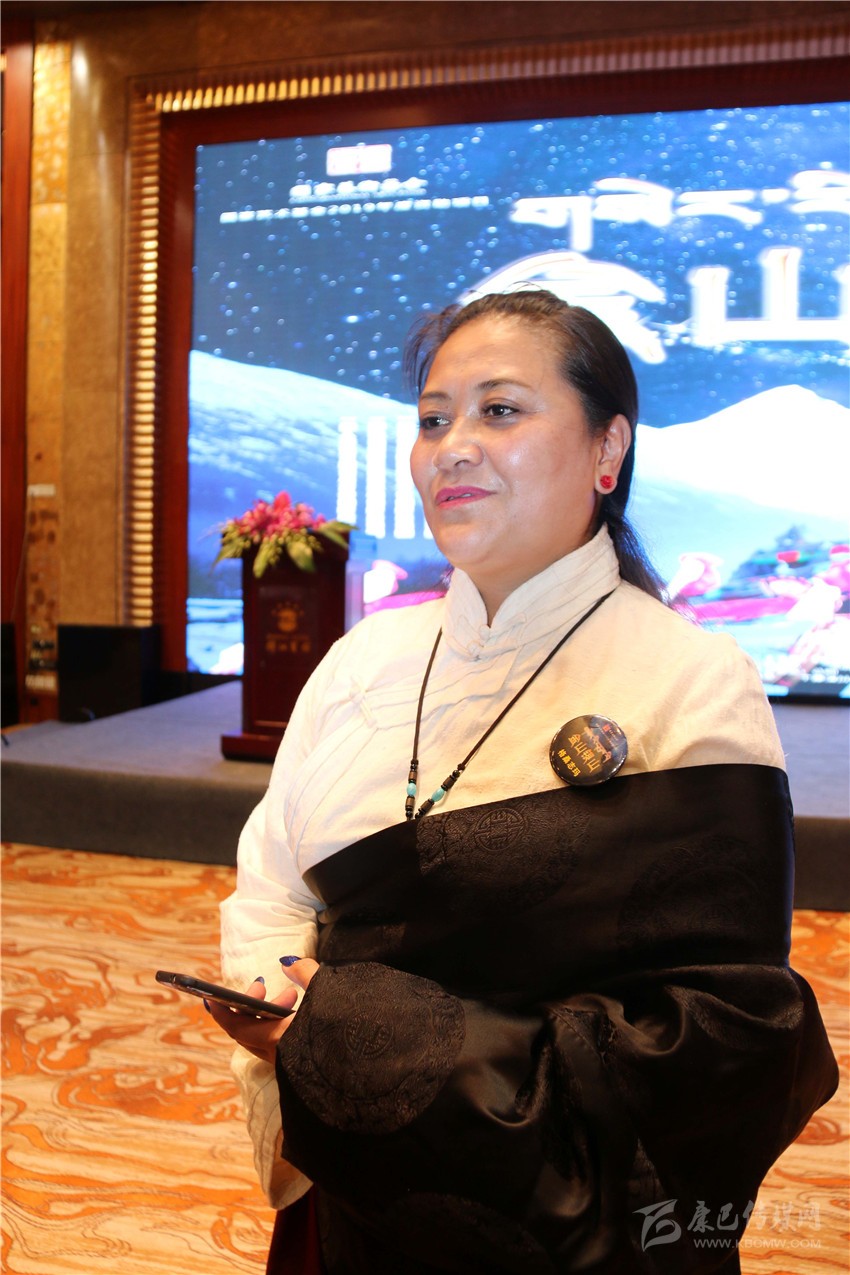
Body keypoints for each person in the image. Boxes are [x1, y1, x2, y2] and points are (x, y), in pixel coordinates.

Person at [208, 289, 837, 1274]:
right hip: (349, 1184)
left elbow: (722, 1035)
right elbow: (272, 881)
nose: (452, 448)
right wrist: (277, 1008)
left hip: (570, 1229)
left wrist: (360, 1039)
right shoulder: (360, 660)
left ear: (606, 450)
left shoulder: (691, 678)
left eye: (499, 410)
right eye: (432, 419)